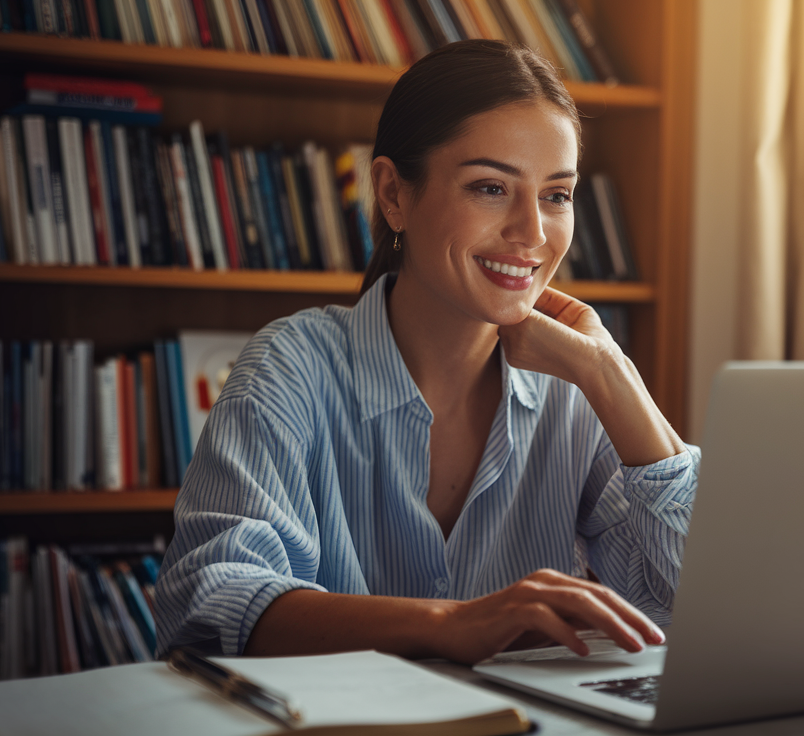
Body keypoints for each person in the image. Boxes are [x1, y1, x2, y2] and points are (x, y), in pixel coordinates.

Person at [154, 39, 700, 665]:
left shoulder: (574, 385)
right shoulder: (289, 369)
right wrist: (448, 624)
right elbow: (211, 604)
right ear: (393, 194)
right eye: (491, 188)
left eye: (556, 195)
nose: (532, 233)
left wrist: (609, 374)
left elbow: (694, 603)